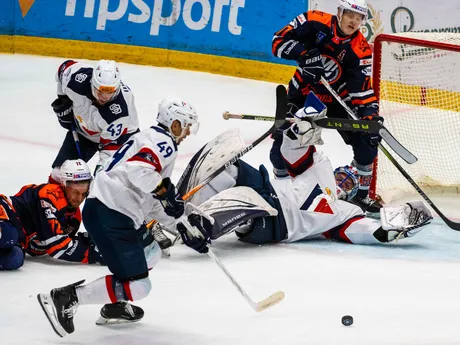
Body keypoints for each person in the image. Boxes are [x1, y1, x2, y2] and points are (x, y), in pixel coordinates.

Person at [171, 93, 432, 254]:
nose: (343, 179)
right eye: (343, 175)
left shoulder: (346, 213)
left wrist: (392, 230)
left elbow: (368, 232)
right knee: (225, 168)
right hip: (271, 191)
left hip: (276, 224)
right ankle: (171, 218)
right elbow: (291, 152)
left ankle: (200, 227)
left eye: (349, 181)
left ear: (353, 192)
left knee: (247, 201)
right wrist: (304, 122)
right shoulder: (320, 168)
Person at [37, 98, 202, 337]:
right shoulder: (163, 142)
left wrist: (182, 226)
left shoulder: (148, 138)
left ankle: (115, 305)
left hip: (108, 211)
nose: (187, 132)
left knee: (151, 254)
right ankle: (67, 298)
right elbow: (140, 172)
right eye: (186, 126)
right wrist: (165, 193)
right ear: (174, 124)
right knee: (140, 286)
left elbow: (150, 199)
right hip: (112, 215)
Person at [271, 0, 382, 215]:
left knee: (366, 140)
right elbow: (277, 41)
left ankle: (361, 197)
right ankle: (281, 193)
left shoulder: (360, 50)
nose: (354, 21)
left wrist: (371, 116)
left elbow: (361, 92)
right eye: (350, 14)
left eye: (359, 18)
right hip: (304, 94)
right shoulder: (314, 21)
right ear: (339, 12)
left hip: (338, 100)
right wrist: (304, 54)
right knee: (281, 144)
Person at [0, 159, 103, 270]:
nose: (79, 199)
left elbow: (42, 247)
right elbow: (57, 247)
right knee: (8, 234)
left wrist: (87, 241)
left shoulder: (74, 219)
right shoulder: (50, 195)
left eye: (84, 193)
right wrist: (94, 254)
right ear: (64, 185)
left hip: (18, 238)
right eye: (75, 192)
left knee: (15, 258)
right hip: (5, 213)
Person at [49, 59, 140, 183]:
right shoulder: (76, 80)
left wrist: (100, 174)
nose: (105, 97)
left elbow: (109, 150)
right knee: (58, 174)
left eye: (110, 93)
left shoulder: (118, 113)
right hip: (84, 132)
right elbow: (62, 69)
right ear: (93, 83)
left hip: (122, 138)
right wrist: (63, 99)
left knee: (108, 183)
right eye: (101, 91)